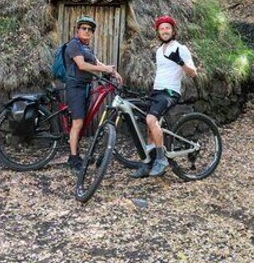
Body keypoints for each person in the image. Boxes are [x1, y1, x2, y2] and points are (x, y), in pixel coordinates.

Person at [132, 14, 197, 178]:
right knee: (148, 128)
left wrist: (181, 62)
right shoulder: (159, 51)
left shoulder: (180, 48)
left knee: (151, 120)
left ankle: (161, 160)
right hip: (157, 91)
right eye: (161, 28)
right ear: (158, 32)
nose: (165, 30)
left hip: (170, 92)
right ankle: (148, 164)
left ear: (173, 31)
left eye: (167, 27)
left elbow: (193, 73)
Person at [64, 15, 120, 171]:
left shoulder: (86, 47)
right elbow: (82, 65)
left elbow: (96, 62)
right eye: (84, 28)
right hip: (75, 87)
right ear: (78, 30)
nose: (87, 31)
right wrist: (105, 69)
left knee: (83, 120)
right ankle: (73, 158)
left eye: (90, 29)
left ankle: (75, 154)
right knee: (78, 122)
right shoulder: (73, 45)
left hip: (85, 86)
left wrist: (113, 72)